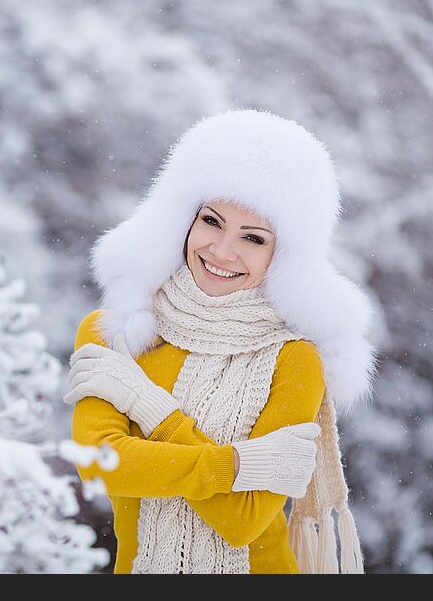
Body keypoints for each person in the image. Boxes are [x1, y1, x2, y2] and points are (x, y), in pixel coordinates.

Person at [64, 109, 379, 574]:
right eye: (212, 221)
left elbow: (241, 520)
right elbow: (98, 464)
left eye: (253, 237)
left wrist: (148, 406)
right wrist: (235, 467)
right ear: (183, 221)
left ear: (283, 254)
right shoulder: (116, 330)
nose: (222, 251)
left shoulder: (295, 360)